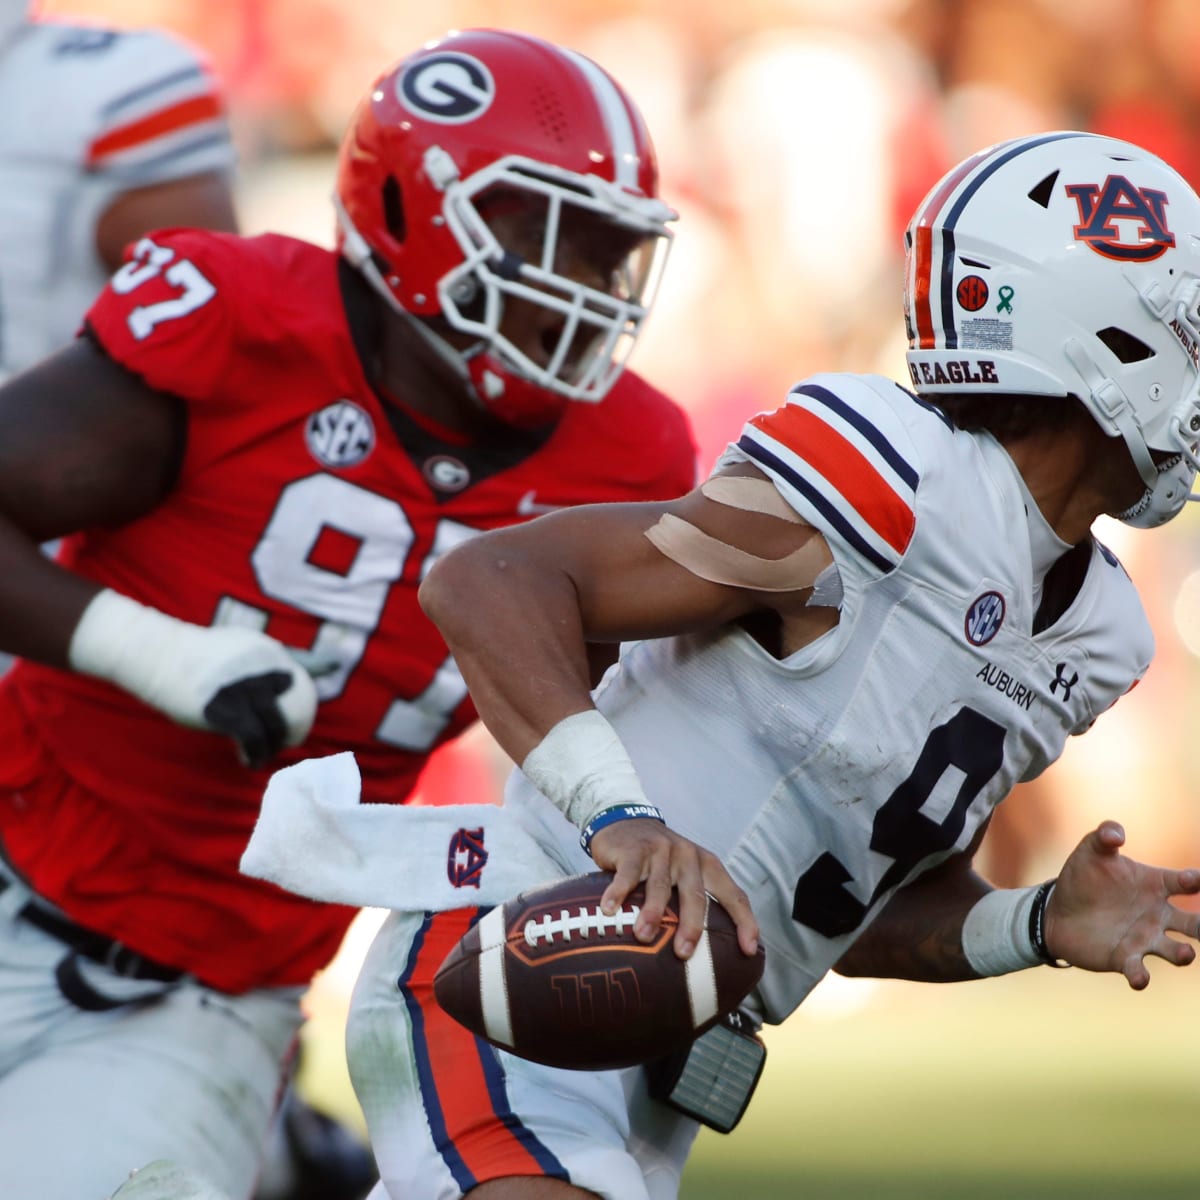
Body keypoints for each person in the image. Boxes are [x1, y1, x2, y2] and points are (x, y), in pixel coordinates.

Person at [337, 131, 1200, 1200]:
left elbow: (849, 911)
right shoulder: (889, 483)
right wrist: (621, 818)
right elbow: (489, 583)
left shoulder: (1099, 634)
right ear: (1099, 341)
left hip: (658, 1052)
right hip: (513, 949)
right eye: (1187, 334)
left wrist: (1032, 923)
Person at [0, 25, 695, 1200]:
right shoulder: (240, 313)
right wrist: (156, 654)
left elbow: (666, 741)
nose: (580, 287)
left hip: (202, 994)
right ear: (413, 214)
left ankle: (277, 1145)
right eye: (546, 235)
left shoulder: (635, 453)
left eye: (607, 250)